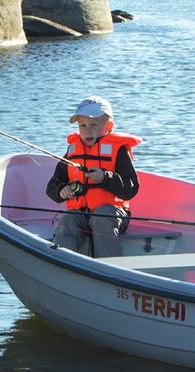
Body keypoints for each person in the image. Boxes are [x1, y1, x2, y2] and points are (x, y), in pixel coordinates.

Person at [45, 95, 141, 257]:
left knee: (101, 218)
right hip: (82, 214)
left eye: (94, 125)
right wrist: (62, 190)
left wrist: (105, 178)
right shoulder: (72, 152)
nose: (87, 130)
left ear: (108, 126)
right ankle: (63, 262)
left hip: (113, 214)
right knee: (69, 219)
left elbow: (130, 188)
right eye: (82, 125)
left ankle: (110, 269)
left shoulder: (118, 152)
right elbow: (53, 185)